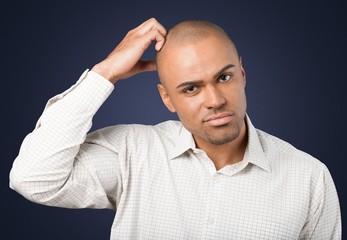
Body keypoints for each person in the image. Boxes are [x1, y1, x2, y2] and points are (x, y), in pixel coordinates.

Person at [9, 18, 341, 239]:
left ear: (243, 74)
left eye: (224, 77)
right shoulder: (133, 153)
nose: (214, 100)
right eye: (191, 88)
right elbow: (33, 178)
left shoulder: (308, 177)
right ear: (167, 98)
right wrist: (105, 73)